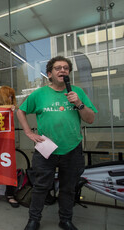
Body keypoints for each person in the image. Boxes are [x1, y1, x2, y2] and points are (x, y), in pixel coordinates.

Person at [16, 56, 97, 230]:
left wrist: (79, 103)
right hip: (46, 149)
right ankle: (34, 220)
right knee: (40, 187)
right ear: (49, 74)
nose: (63, 70)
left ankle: (65, 220)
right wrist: (28, 132)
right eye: (58, 68)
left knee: (68, 188)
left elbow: (90, 119)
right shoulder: (39, 94)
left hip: (72, 149)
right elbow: (20, 111)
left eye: (66, 68)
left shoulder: (77, 92)